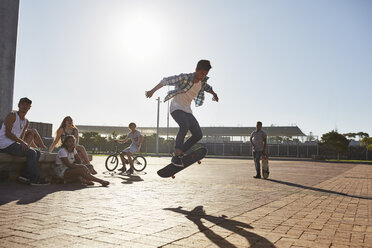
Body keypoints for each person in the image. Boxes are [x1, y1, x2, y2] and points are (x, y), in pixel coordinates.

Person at [145, 60, 219, 166]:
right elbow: (166, 81)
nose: (203, 76)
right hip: (176, 108)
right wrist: (152, 91)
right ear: (196, 70)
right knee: (184, 125)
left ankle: (179, 153)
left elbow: (208, 88)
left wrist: (214, 94)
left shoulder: (203, 82)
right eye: (201, 73)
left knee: (198, 134)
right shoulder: (184, 77)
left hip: (187, 110)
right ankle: (176, 155)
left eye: (205, 75)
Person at [0, 97, 49, 185]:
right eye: (23, 104)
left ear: (29, 108)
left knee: (37, 152)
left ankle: (24, 176)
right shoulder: (12, 115)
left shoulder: (26, 122)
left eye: (27, 105)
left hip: (13, 144)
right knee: (31, 152)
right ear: (19, 105)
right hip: (4, 143)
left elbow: (21, 137)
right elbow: (8, 133)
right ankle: (35, 179)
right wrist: (22, 142)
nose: (25, 106)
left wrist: (27, 136)